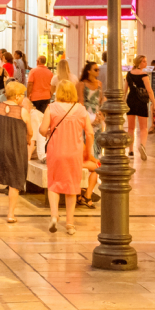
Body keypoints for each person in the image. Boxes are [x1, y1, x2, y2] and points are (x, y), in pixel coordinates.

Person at [41, 81, 92, 235]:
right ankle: (69, 223)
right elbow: (90, 133)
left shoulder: (52, 108)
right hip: (74, 153)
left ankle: (54, 215)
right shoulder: (81, 110)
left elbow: (43, 129)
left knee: (54, 183)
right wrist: (88, 152)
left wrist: (48, 132)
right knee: (72, 186)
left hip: (56, 151)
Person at [0, 81, 32, 222]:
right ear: (17, 96)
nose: (23, 97)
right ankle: (10, 215)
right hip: (16, 149)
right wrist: (28, 139)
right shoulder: (22, 111)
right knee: (14, 182)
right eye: (22, 95)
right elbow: (30, 132)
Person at [77, 62, 103, 208]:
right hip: (85, 118)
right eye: (95, 69)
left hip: (97, 120)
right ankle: (84, 188)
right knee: (86, 148)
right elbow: (81, 102)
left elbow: (101, 101)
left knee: (97, 149)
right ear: (88, 71)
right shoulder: (81, 84)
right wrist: (88, 119)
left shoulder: (99, 84)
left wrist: (101, 115)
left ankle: (89, 187)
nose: (98, 71)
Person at [125, 54, 155, 160]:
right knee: (143, 127)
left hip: (130, 101)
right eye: (144, 61)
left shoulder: (128, 74)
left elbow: (125, 90)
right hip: (141, 102)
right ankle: (142, 146)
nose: (146, 63)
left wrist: (124, 102)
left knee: (130, 128)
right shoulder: (144, 75)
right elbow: (149, 91)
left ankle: (130, 151)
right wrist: (154, 104)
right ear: (138, 63)